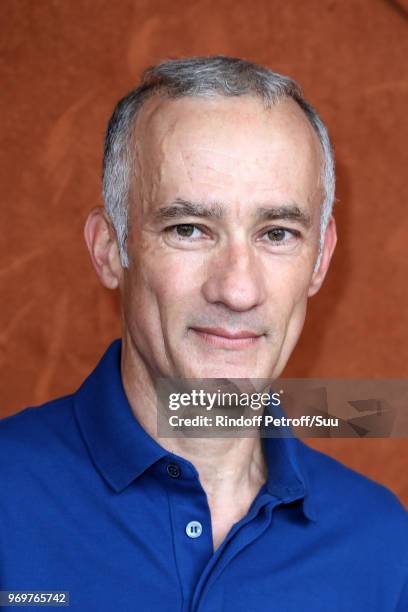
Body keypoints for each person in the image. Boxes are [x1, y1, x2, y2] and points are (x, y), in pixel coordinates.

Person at [0, 56, 406, 611]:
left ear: (320, 260)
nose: (237, 290)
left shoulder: (382, 547)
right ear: (108, 250)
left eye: (278, 233)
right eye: (188, 229)